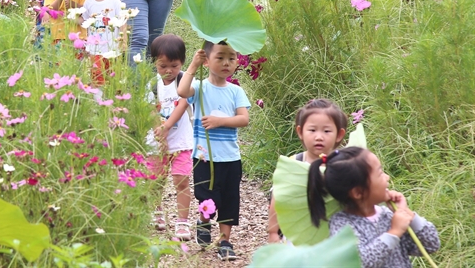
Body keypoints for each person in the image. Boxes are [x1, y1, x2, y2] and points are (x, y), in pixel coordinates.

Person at [177, 41, 251, 261]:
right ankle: (203, 219)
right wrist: (192, 66)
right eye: (220, 58)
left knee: (229, 198)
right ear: (207, 61)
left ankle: (225, 241)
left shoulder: (236, 91)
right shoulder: (199, 87)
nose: (226, 63)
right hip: (203, 156)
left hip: (230, 157)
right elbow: (182, 91)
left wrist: (220, 121)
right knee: (206, 195)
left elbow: (243, 119)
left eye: (231, 58)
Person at [307, 147, 440, 268]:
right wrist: (394, 232)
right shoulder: (342, 225)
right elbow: (359, 262)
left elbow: (431, 244)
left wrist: (407, 214)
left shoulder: (387, 215)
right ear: (358, 192)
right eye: (380, 173)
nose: (387, 177)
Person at [267, 98, 348, 243]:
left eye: (327, 131)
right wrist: (273, 232)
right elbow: (278, 199)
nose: (319, 137)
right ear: (300, 132)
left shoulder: (345, 164)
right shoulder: (293, 163)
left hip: (335, 235)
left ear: (339, 135)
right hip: (298, 233)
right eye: (312, 130)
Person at [145, 34, 193, 241]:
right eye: (162, 65)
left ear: (182, 62)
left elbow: (183, 104)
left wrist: (167, 126)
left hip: (181, 141)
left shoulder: (184, 81)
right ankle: (157, 211)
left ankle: (182, 222)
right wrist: (160, 132)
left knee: (181, 180)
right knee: (156, 180)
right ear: (154, 62)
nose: (168, 71)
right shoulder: (152, 84)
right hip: (157, 142)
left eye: (174, 65)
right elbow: (149, 109)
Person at [80, 0, 125, 85]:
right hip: (95, 49)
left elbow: (122, 21)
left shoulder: (114, 1)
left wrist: (123, 41)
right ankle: (98, 101)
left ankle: (111, 100)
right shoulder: (88, 2)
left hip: (112, 49)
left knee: (113, 77)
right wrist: (71, 15)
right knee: (97, 77)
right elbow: (84, 21)